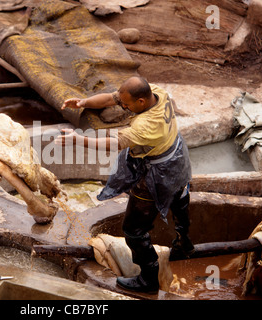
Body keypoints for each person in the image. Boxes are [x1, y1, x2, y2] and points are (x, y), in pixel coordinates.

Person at [55, 76, 194, 294]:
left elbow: (114, 143)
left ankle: (148, 278)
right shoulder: (158, 92)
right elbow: (111, 99)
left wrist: (78, 140)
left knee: (133, 229)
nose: (123, 107)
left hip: (159, 173)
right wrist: (84, 102)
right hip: (177, 158)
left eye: (127, 105)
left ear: (140, 102)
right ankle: (184, 241)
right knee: (179, 195)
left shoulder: (145, 125)